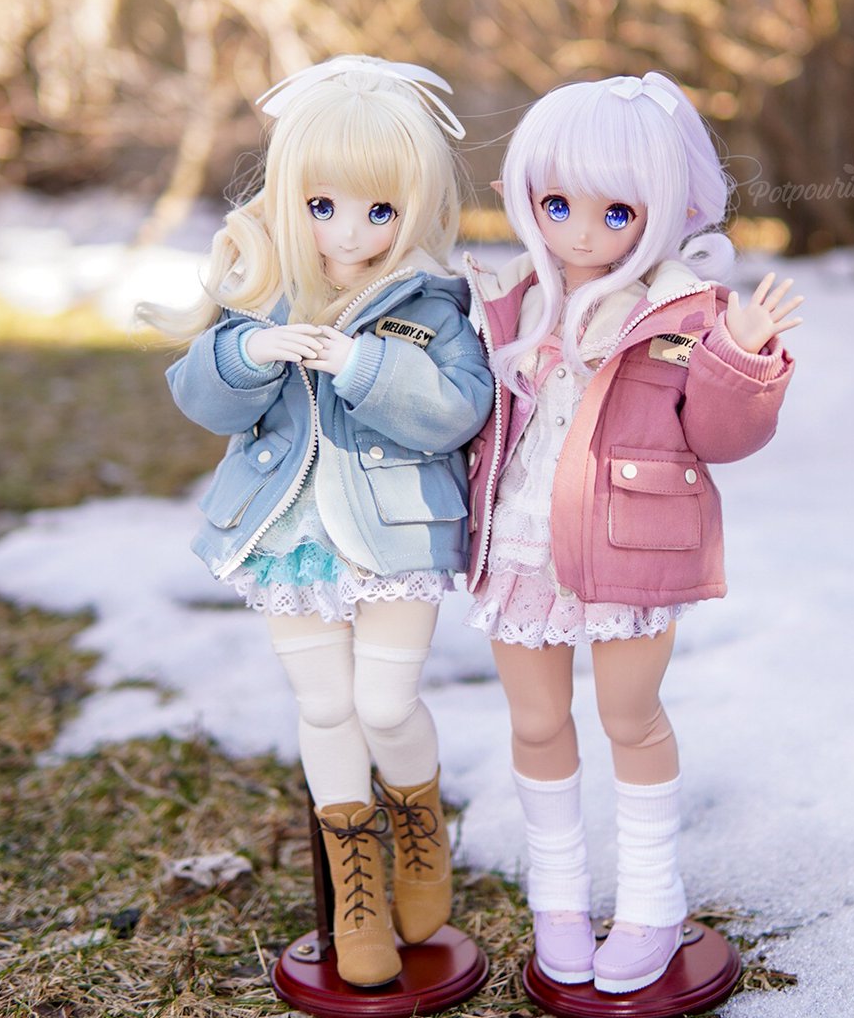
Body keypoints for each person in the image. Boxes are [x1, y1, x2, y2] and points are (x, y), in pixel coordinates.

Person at [140, 55, 494, 988]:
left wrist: (364, 367)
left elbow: (461, 411)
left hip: (397, 537)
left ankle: (418, 821)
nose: (348, 231)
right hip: (290, 537)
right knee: (326, 707)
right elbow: (198, 395)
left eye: (380, 210)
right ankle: (355, 886)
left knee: (384, 704)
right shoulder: (260, 286)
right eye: (323, 205)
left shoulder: (433, 302)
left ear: (415, 208)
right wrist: (252, 349)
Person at [462, 72, 801, 995]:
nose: (581, 233)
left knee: (631, 717)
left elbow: (719, 438)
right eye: (557, 204)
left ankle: (652, 903)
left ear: (668, 211)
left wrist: (740, 355)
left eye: (616, 213)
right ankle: (559, 901)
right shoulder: (506, 297)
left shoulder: (684, 311)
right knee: (536, 721)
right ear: (522, 196)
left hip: (630, 542)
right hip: (521, 541)